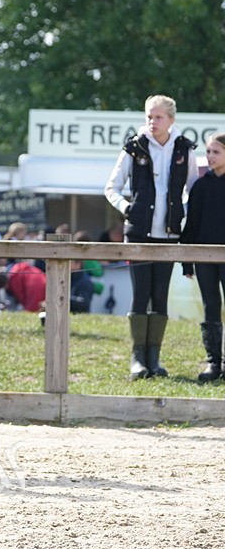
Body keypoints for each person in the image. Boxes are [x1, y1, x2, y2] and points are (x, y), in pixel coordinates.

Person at [105, 94, 197, 380]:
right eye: (148, 116)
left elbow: (193, 189)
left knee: (159, 296)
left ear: (171, 120)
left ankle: (154, 359)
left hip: (169, 235)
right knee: (140, 294)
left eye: (158, 117)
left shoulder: (184, 148)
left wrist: (182, 212)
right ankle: (137, 359)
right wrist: (127, 208)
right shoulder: (134, 148)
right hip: (139, 235)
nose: (152, 122)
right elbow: (111, 187)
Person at [181, 132, 225, 382]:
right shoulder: (200, 185)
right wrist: (187, 260)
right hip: (204, 257)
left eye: (216, 152)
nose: (210, 156)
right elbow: (192, 225)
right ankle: (213, 363)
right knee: (210, 307)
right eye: (208, 151)